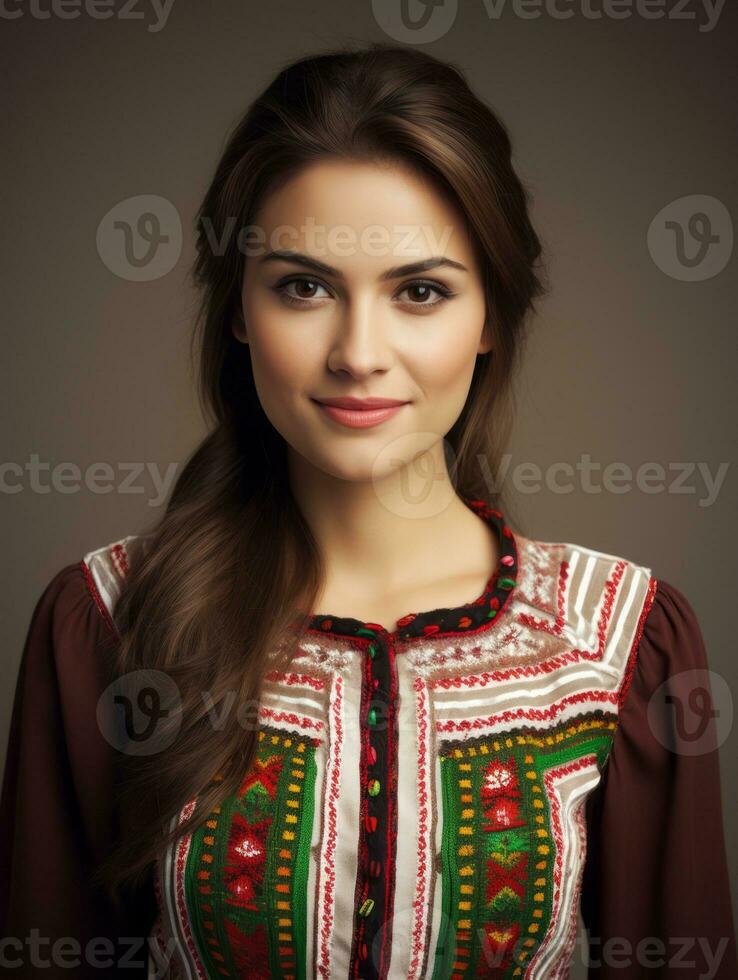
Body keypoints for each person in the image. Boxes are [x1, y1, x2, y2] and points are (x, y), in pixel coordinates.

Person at [1, 43, 735, 980]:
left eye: (420, 292)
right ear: (237, 310)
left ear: (492, 320)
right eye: (303, 287)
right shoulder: (106, 621)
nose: (358, 352)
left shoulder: (623, 641)